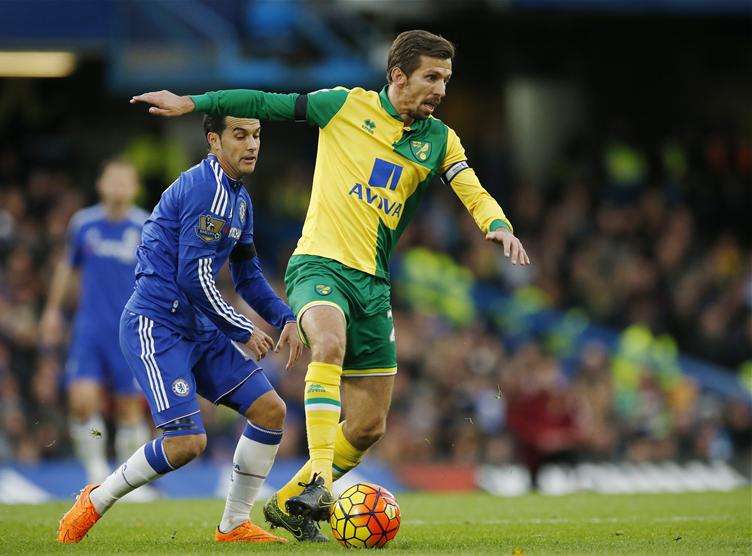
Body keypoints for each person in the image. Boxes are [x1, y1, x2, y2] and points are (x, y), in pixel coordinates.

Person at [131, 29, 531, 541]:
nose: (441, 89)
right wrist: (195, 102)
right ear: (398, 76)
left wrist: (497, 224)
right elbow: (263, 102)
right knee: (328, 342)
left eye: (446, 79)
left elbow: (470, 187)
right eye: (431, 77)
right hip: (318, 266)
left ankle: (287, 503)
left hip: (373, 286)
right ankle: (320, 477)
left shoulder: (440, 140)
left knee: (368, 426)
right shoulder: (342, 106)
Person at [57, 115, 304, 544]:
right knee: (187, 442)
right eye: (240, 135)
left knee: (270, 410)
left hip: (198, 324)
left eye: (257, 135)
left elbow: (247, 275)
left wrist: (284, 316)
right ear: (214, 140)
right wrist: (242, 328)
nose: (252, 145)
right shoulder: (204, 189)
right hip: (158, 324)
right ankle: (96, 498)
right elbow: (192, 276)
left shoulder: (239, 200)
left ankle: (234, 524)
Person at [40, 159, 151, 489]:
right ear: (100, 184)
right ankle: (95, 471)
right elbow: (67, 268)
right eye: (112, 179)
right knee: (81, 401)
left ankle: (129, 481)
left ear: (135, 188)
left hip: (131, 329)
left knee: (129, 408)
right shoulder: (83, 224)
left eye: (124, 180)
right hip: (90, 328)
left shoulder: (146, 226)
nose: (118, 186)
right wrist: (52, 311)